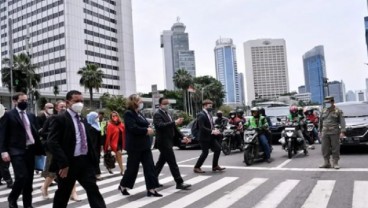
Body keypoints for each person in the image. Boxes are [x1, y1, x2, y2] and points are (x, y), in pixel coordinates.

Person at [47, 90, 106, 208]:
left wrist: (94, 161)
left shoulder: (82, 119)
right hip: (68, 164)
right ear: (68, 102)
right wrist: (63, 163)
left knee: (93, 189)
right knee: (63, 193)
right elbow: (52, 142)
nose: (79, 104)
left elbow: (87, 140)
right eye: (76, 101)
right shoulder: (60, 118)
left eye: (81, 101)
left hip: (84, 162)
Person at [0, 92, 44, 208]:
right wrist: (3, 151)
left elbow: (35, 132)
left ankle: (27, 205)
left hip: (30, 150)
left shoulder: (30, 115)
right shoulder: (8, 115)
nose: (25, 102)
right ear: (15, 101)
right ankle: (12, 198)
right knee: (21, 176)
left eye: (26, 100)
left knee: (29, 180)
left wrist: (39, 149)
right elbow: (3, 134)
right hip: (16, 151)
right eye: (22, 101)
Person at [119, 94, 162, 197]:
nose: (141, 103)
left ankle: (151, 189)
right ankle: (123, 185)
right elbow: (132, 128)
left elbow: (145, 124)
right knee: (132, 169)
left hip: (145, 146)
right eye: (140, 101)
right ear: (133, 102)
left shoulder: (140, 113)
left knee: (150, 167)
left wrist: (149, 128)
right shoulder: (129, 114)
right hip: (134, 146)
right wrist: (146, 131)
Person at [153, 97, 191, 190]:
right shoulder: (157, 114)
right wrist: (174, 122)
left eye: (168, 103)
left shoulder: (167, 114)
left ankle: (152, 180)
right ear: (160, 105)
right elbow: (160, 126)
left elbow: (174, 128)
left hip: (168, 141)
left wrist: (183, 136)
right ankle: (179, 182)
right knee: (172, 163)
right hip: (163, 142)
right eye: (165, 104)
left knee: (160, 163)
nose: (167, 105)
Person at [39, 100, 68, 200]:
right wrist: (54, 136)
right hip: (52, 148)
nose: (63, 108)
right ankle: (44, 188)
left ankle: (67, 194)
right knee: (53, 171)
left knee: (64, 171)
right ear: (56, 108)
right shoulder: (52, 118)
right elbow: (43, 133)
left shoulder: (68, 118)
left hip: (64, 148)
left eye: (65, 106)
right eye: (61, 106)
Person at [193, 99, 225, 173]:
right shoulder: (201, 114)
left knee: (218, 149)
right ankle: (197, 167)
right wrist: (212, 131)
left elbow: (210, 125)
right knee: (205, 153)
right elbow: (202, 127)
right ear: (204, 106)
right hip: (203, 137)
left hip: (210, 136)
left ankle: (215, 166)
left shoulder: (209, 114)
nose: (211, 107)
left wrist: (215, 129)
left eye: (211, 106)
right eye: (209, 106)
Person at [319, 96, 346, 169]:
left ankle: (335, 162)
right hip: (325, 132)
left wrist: (342, 132)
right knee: (324, 148)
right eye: (326, 102)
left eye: (328, 102)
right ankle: (326, 162)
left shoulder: (338, 111)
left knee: (335, 147)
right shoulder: (323, 111)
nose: (327, 104)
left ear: (332, 102)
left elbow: (342, 122)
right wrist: (319, 131)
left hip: (334, 131)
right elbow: (320, 122)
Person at [104, 111, 125, 175]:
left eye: (116, 115)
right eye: (113, 116)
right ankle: (122, 170)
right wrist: (109, 145)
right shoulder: (110, 125)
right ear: (111, 117)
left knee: (116, 157)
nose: (115, 117)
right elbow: (108, 137)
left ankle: (108, 166)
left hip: (120, 143)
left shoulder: (121, 124)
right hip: (114, 143)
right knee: (119, 154)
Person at [86, 112, 103, 180]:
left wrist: (101, 145)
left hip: (97, 146)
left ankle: (95, 173)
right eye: (96, 117)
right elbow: (91, 139)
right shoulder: (90, 127)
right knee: (94, 159)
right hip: (93, 146)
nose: (97, 118)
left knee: (97, 159)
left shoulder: (97, 125)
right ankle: (96, 174)